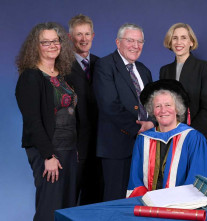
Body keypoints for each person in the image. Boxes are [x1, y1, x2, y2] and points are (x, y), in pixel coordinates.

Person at [15, 22, 78, 220]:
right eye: (45, 42)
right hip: (49, 151)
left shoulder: (64, 75)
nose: (52, 45)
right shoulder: (30, 77)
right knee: (49, 208)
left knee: (68, 208)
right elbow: (32, 121)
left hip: (69, 149)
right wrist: (48, 156)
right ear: (36, 46)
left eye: (55, 41)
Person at [93, 23, 154, 201]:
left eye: (139, 41)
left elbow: (153, 104)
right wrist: (139, 128)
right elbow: (109, 104)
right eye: (130, 40)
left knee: (142, 199)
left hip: (145, 145)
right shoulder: (105, 65)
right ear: (118, 42)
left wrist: (152, 123)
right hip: (116, 147)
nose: (135, 45)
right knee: (116, 199)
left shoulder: (144, 70)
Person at [127, 79, 207, 196]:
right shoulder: (143, 139)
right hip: (149, 207)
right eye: (158, 106)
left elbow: (197, 178)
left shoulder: (193, 138)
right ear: (152, 110)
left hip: (181, 207)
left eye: (168, 105)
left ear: (177, 108)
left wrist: (175, 202)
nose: (163, 110)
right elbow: (136, 180)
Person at [67, 14, 103, 205]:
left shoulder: (102, 65)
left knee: (96, 195)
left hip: (99, 141)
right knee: (71, 196)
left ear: (93, 35)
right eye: (79, 34)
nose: (83, 39)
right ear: (70, 37)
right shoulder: (62, 66)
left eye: (87, 34)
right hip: (75, 143)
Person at [159, 23, 207, 143]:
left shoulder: (203, 67)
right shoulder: (165, 70)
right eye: (175, 38)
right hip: (170, 135)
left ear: (191, 42)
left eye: (183, 38)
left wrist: (188, 132)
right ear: (170, 42)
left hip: (196, 135)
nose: (179, 42)